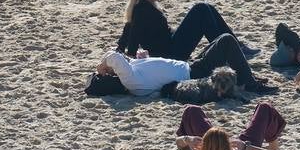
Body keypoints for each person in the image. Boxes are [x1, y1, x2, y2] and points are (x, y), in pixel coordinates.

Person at [116, 0, 257, 61]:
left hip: (170, 45)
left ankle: (235, 46)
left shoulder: (143, 7)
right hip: (170, 53)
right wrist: (130, 55)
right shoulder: (142, 10)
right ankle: (229, 47)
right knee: (201, 8)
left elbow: (128, 30)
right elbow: (134, 33)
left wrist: (120, 49)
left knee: (207, 8)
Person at [96, 32, 275, 96]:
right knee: (226, 41)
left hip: (188, 68)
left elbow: (124, 62)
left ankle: (246, 78)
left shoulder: (133, 77)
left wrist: (144, 60)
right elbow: (115, 57)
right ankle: (250, 83)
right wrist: (102, 65)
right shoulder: (130, 81)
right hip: (191, 75)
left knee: (220, 41)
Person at [175, 103, 285, 150]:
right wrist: (246, 147)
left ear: (205, 147)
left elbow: (180, 145)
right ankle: (275, 147)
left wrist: (188, 139)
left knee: (192, 110)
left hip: (218, 149)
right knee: (264, 108)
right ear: (227, 145)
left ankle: (212, 141)